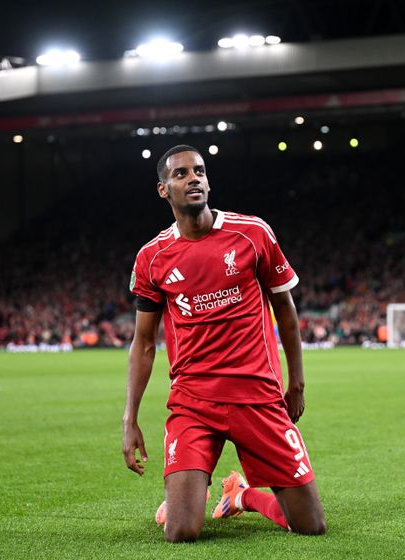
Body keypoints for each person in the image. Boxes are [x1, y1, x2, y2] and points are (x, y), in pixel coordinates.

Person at [122, 144, 326, 543]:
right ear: (164, 190)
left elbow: (285, 310)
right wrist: (129, 419)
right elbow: (143, 343)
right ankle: (189, 500)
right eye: (180, 174)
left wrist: (296, 383)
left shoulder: (252, 234)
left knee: (311, 525)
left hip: (258, 397)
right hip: (194, 402)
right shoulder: (152, 257)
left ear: (208, 180)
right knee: (181, 530)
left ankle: (243, 497)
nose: (193, 178)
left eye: (199, 171)